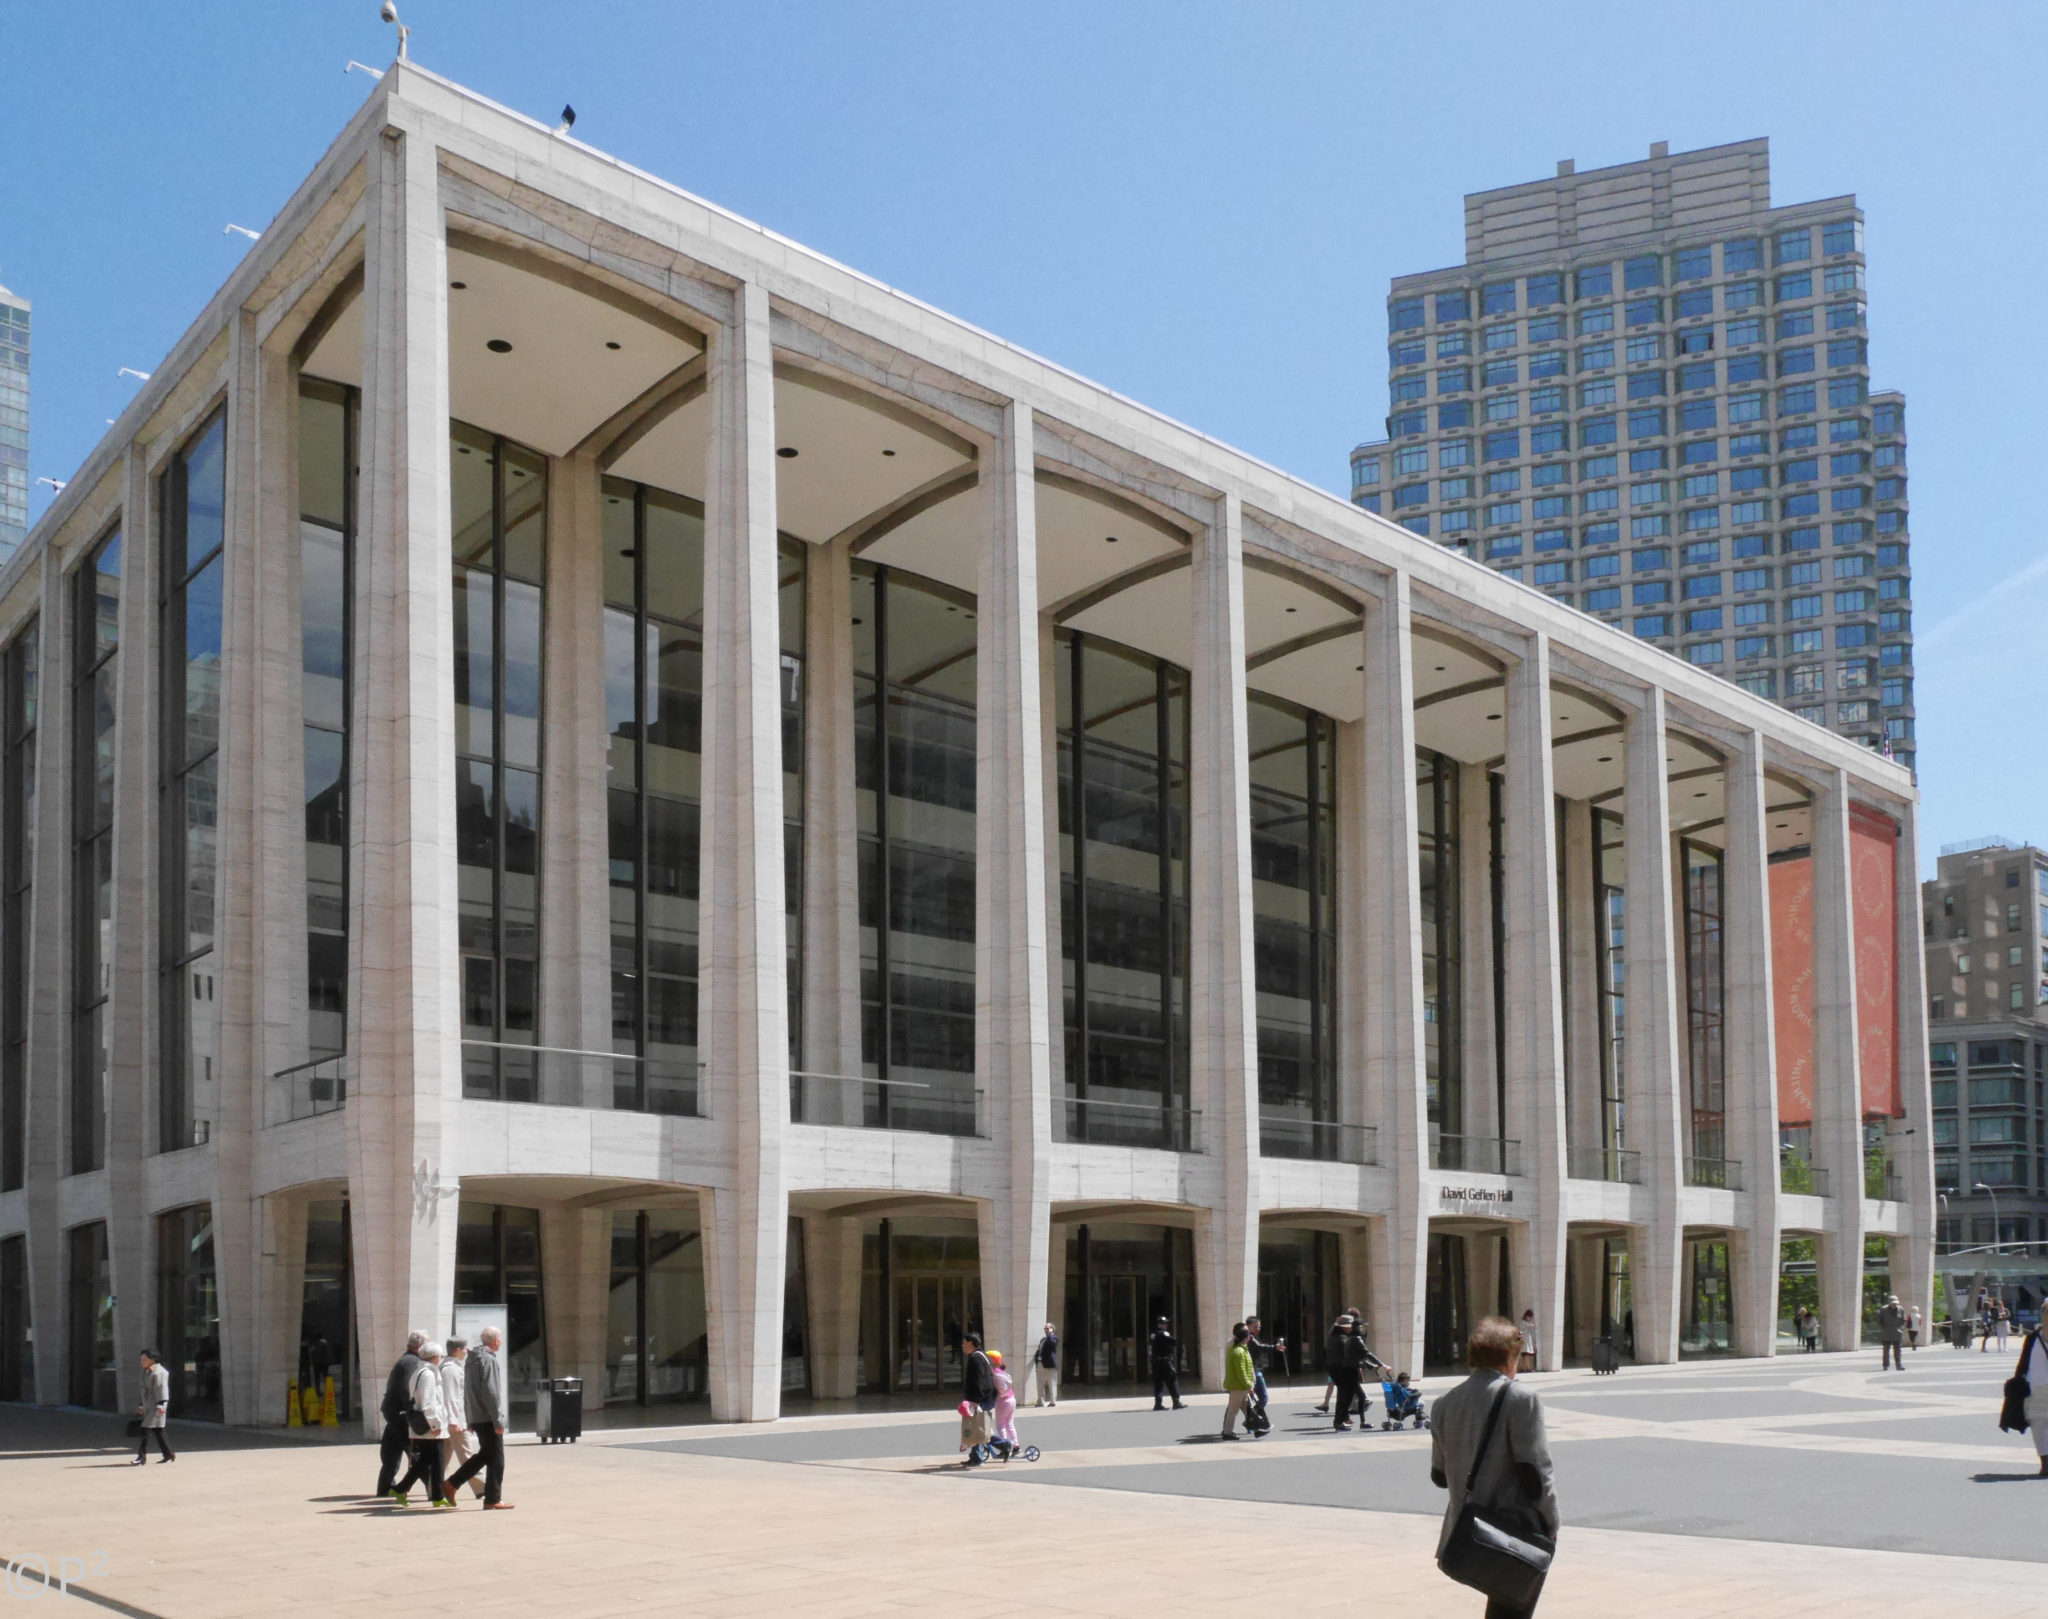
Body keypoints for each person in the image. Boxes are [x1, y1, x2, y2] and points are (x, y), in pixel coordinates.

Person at [1430, 1316, 1560, 1619]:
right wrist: (1551, 1522)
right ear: (1511, 1356)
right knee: (1513, 1609)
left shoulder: (1444, 1403)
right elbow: (1535, 1472)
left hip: (1468, 1528)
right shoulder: (1520, 1398)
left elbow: (1438, 1475)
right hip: (1513, 1528)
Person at [445, 1325, 513, 1509]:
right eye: (500, 1339)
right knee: (496, 1459)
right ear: (496, 1341)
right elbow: (491, 1393)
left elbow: (468, 1390)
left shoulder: (472, 1359)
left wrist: (470, 1417)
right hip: (488, 1417)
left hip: (478, 1416)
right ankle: (490, 1498)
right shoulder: (488, 1360)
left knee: (486, 1455)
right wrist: (498, 1420)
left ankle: (454, 1485)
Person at [392, 1341, 451, 1508]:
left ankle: (400, 1489)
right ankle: (438, 1497)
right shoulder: (429, 1375)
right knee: (437, 1461)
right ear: (434, 1358)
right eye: (439, 1356)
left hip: (421, 1426)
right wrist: (435, 1425)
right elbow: (427, 1403)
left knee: (423, 1462)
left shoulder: (418, 1372)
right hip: (429, 1426)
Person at [373, 1330, 426, 1497]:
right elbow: (406, 1389)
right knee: (417, 1453)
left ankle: (385, 1487)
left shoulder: (405, 1359)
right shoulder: (412, 1362)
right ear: (420, 1346)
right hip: (401, 1415)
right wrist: (411, 1411)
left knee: (391, 1452)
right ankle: (434, 1489)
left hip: (392, 1412)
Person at [440, 1337, 484, 1499]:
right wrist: (454, 1421)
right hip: (455, 1421)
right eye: (465, 1349)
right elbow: (451, 1397)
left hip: (452, 1420)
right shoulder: (451, 1369)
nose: (466, 1352)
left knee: (443, 1458)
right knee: (467, 1455)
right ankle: (482, 1487)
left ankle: (434, 1489)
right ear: (457, 1350)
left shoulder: (448, 1367)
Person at [960, 1332, 997, 1464]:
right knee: (978, 1427)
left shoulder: (976, 1358)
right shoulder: (983, 1356)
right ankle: (976, 1456)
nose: (963, 1345)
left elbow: (979, 1380)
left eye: (965, 1342)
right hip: (986, 1397)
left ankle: (1003, 1445)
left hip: (981, 1399)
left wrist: (976, 1400)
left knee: (977, 1427)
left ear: (971, 1343)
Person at [1330, 1315, 1372, 1431]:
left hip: (1343, 1370)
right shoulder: (1343, 1338)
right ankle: (1339, 1421)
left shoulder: (1341, 1336)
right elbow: (1355, 1354)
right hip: (1345, 1371)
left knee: (1345, 1397)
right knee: (1345, 1397)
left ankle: (1343, 1419)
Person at [1243, 1314, 1286, 1427]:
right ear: (1248, 1327)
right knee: (1263, 1398)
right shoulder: (1249, 1338)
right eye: (1255, 1327)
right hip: (1254, 1371)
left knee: (1253, 1400)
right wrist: (1275, 1347)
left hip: (1254, 1370)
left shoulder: (1249, 1337)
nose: (1258, 1329)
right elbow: (1260, 1347)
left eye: (1259, 1327)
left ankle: (1253, 1421)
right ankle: (1252, 1418)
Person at [133, 1349, 174, 1465]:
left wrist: (161, 1404)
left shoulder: (159, 1372)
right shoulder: (146, 1371)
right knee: (158, 1430)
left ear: (152, 1360)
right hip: (149, 1404)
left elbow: (162, 1389)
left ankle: (141, 1457)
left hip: (157, 1405)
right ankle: (169, 1454)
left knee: (145, 1430)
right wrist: (141, 1404)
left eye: (144, 1359)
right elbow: (143, 1390)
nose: (142, 1361)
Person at [2020, 1319, 2048, 1479]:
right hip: (2037, 1387)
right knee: (2039, 1424)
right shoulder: (2034, 1338)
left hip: (2038, 1385)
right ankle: (2045, 1460)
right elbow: (2024, 1362)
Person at [1220, 1324, 1257, 1439]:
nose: (1250, 1338)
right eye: (1248, 1335)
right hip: (1238, 1386)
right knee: (1233, 1410)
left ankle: (1256, 1426)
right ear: (1244, 1338)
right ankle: (1227, 1432)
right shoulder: (1239, 1351)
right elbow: (1241, 1371)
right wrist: (1248, 1385)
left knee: (1247, 1408)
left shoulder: (1238, 1349)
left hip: (1239, 1385)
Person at [1149, 1317, 1184, 1411]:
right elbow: (1173, 1342)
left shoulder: (1153, 1334)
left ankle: (1158, 1403)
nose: (1165, 1325)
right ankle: (1176, 1402)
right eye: (1163, 1323)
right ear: (1159, 1324)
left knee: (1158, 1383)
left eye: (1166, 1323)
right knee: (1172, 1381)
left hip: (1155, 1362)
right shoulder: (1163, 1333)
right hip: (1165, 1362)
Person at [989, 1351, 1019, 1450]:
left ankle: (1005, 1446)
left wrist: (995, 1395)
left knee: (1000, 1425)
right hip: (1011, 1399)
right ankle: (1015, 1444)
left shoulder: (995, 1374)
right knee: (1009, 1424)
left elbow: (1000, 1389)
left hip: (1003, 1401)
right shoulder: (1004, 1374)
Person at [1875, 1295, 1906, 1371]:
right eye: (1893, 1303)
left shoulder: (1901, 1309)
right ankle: (1885, 1365)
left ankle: (1899, 1365)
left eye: (1895, 1303)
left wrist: (1901, 1329)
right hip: (1886, 1332)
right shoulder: (1883, 1309)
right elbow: (1879, 1321)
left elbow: (1904, 1320)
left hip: (1897, 1332)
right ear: (1889, 1303)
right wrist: (1883, 1329)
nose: (1894, 1305)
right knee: (1886, 1350)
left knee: (1898, 1350)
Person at [1033, 1322, 1060, 1407]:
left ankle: (1052, 1401)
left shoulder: (1054, 1338)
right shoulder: (1043, 1340)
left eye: (1048, 1328)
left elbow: (1052, 1345)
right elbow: (1039, 1350)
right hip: (1040, 1363)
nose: (1046, 1330)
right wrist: (1036, 1359)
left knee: (1052, 1383)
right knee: (1040, 1383)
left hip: (1050, 1365)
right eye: (1045, 1329)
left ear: (1052, 1329)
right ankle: (1040, 1401)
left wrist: (1050, 1334)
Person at [1518, 1309, 1538, 1373]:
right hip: (1525, 1341)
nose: (1531, 1318)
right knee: (1526, 1355)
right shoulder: (1523, 1322)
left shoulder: (1527, 1322)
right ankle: (1529, 1368)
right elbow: (1532, 1326)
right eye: (1530, 1317)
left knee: (1525, 1356)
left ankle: (1522, 1368)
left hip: (1527, 1341)